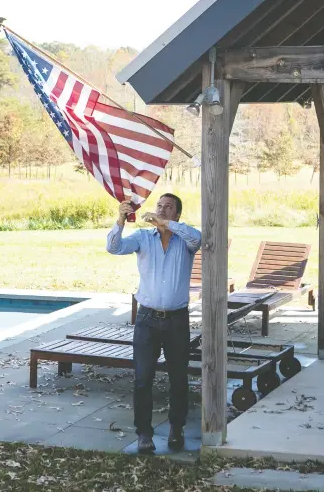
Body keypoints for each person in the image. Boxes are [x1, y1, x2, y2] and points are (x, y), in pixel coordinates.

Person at [106, 193, 201, 453]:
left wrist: (166, 224)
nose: (161, 209)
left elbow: (199, 238)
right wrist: (120, 220)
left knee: (179, 378)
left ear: (177, 215)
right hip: (147, 319)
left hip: (177, 320)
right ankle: (144, 433)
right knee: (142, 379)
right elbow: (113, 247)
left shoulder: (185, 240)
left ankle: (176, 428)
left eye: (168, 208)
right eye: (159, 206)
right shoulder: (143, 238)